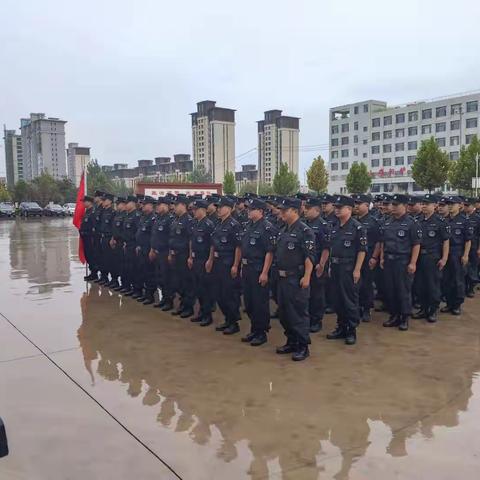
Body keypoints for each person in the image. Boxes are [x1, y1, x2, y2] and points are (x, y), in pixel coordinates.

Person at [275, 197, 315, 361]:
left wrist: (306, 277)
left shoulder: (305, 231)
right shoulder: (284, 229)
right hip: (282, 278)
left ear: (295, 211)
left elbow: (309, 257)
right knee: (284, 313)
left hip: (296, 278)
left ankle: (302, 346)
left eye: (285, 210)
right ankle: (291, 341)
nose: (281, 213)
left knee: (298, 313)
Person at [326, 195, 367, 345]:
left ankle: (351, 330)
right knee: (337, 299)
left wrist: (357, 269)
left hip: (349, 268)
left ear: (349, 209)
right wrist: (330, 265)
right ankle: (341, 326)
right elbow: (331, 248)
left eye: (340, 208)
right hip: (336, 267)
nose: (336, 210)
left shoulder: (357, 227)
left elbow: (362, 250)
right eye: (335, 207)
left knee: (349, 300)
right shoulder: (334, 227)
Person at [381, 194, 422, 331]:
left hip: (403, 261)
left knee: (403, 290)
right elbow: (383, 243)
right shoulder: (387, 222)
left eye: (395, 205)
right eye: (392, 205)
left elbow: (416, 244)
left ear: (404, 206)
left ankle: (404, 317)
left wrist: (413, 263)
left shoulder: (412, 223)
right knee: (390, 290)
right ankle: (394, 316)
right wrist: (381, 257)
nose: (392, 207)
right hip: (389, 260)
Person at [240, 198, 276, 346]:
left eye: (252, 209)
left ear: (260, 211)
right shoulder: (248, 226)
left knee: (259, 302)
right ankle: (254, 329)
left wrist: (265, 272)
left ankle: (261, 332)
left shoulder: (267, 228)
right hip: (247, 268)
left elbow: (269, 252)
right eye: (248, 208)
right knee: (248, 302)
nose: (248, 211)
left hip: (258, 269)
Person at [206, 196, 242, 335]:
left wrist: (235, 265)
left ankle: (233, 322)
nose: (219, 209)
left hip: (228, 263)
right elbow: (213, 245)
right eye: (218, 207)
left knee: (229, 294)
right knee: (219, 293)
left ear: (230, 208)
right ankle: (227, 319)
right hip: (217, 262)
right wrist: (210, 260)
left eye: (221, 207)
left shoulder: (234, 225)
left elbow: (238, 247)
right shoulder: (218, 224)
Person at [412, 194, 450, 323]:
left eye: (426, 204)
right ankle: (423, 308)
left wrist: (444, 258)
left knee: (432, 285)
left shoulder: (440, 222)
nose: (423, 206)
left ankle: (432, 310)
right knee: (419, 285)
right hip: (419, 257)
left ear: (434, 206)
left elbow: (446, 241)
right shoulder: (417, 220)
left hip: (432, 257)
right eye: (423, 203)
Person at [440, 196, 472, 315]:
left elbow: (468, 240)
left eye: (452, 204)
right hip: (445, 253)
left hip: (457, 252)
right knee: (446, 279)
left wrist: (465, 255)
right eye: (448, 203)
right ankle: (449, 303)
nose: (449, 206)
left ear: (460, 205)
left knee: (458, 279)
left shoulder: (465, 220)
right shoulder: (444, 220)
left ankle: (457, 304)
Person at [352, 194, 381, 322]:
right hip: (355, 257)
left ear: (367, 205)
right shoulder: (353, 221)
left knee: (367, 284)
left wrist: (374, 257)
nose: (356, 206)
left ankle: (366, 309)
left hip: (368, 257)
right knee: (355, 284)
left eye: (359, 204)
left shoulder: (373, 222)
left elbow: (378, 242)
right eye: (355, 204)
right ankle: (357, 307)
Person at [304, 197, 330, 332]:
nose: (305, 211)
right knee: (306, 293)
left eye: (308, 209)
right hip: (306, 265)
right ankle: (308, 318)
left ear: (317, 210)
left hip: (317, 265)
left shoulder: (322, 225)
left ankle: (316, 320)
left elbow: (326, 248)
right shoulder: (304, 223)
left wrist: (321, 264)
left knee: (317, 294)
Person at [188, 199, 216, 326]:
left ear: (202, 210)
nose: (193, 211)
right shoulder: (194, 223)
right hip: (195, 259)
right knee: (197, 287)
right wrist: (190, 257)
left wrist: (210, 260)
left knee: (206, 289)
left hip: (204, 259)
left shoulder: (208, 225)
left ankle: (207, 315)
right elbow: (191, 241)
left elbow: (212, 245)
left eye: (195, 209)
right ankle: (200, 312)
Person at [168, 195, 194, 318]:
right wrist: (170, 252)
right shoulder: (176, 220)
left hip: (184, 255)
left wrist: (190, 257)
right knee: (178, 282)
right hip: (175, 255)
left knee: (186, 282)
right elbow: (172, 238)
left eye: (176, 204)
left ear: (183, 205)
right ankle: (182, 304)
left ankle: (188, 307)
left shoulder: (188, 220)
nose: (174, 207)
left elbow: (190, 240)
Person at [149, 197, 174, 310]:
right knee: (160, 277)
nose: (157, 207)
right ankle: (164, 298)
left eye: (159, 205)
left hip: (165, 253)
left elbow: (171, 239)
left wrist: (169, 253)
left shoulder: (170, 219)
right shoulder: (158, 218)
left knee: (167, 278)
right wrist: (152, 249)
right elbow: (154, 236)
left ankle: (169, 300)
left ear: (165, 206)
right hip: (157, 252)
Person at [133, 196, 156, 304]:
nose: (142, 205)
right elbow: (139, 233)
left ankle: (150, 295)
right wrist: (138, 245)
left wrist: (152, 249)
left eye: (145, 204)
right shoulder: (143, 217)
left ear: (150, 205)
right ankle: (143, 293)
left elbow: (153, 236)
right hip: (141, 248)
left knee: (149, 272)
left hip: (148, 249)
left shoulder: (153, 218)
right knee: (141, 271)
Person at [121, 196, 140, 295]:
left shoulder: (136, 216)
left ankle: (136, 288)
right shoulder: (128, 215)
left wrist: (137, 245)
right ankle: (128, 286)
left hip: (133, 245)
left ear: (133, 203)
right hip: (127, 244)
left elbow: (138, 232)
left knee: (134, 267)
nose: (126, 205)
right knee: (127, 267)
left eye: (127, 203)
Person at [463, 197, 480, 297]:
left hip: (474, 247)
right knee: (464, 268)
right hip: (464, 247)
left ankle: (470, 288)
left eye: (467, 205)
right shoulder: (462, 217)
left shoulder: (477, 218)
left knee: (472, 268)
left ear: (473, 206)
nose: (465, 207)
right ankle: (464, 287)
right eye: (464, 205)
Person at [109, 197, 127, 290]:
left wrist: (123, 241)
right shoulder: (117, 214)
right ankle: (115, 281)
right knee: (115, 262)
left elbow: (125, 231)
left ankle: (124, 284)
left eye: (118, 203)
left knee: (123, 264)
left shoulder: (126, 215)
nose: (117, 205)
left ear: (123, 204)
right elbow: (114, 229)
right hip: (115, 242)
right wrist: (112, 238)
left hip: (121, 242)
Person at [98, 193, 115, 286]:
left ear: (110, 201)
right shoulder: (103, 212)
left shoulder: (113, 212)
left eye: (105, 200)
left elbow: (113, 228)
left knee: (110, 259)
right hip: (103, 237)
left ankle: (113, 279)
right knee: (103, 259)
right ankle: (104, 277)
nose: (103, 202)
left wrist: (112, 239)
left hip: (109, 238)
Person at [79, 195, 96, 280]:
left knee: (91, 256)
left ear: (89, 202)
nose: (83, 203)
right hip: (85, 237)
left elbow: (93, 226)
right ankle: (92, 272)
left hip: (90, 238)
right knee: (88, 256)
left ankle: (94, 273)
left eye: (84, 201)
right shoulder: (87, 212)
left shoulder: (93, 212)